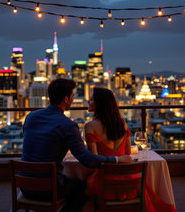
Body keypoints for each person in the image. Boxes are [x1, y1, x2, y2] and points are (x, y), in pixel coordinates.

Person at [21, 79, 132, 212]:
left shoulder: (30, 117)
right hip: (49, 188)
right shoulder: (68, 125)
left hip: (24, 185)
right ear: (66, 99)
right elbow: (88, 160)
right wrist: (118, 159)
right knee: (82, 187)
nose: (73, 100)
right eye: (72, 96)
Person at [84, 87, 177, 212]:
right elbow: (127, 154)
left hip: (105, 183)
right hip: (130, 183)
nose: (87, 102)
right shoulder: (122, 124)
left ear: (99, 104)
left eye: (91, 100)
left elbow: (94, 161)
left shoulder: (90, 126)